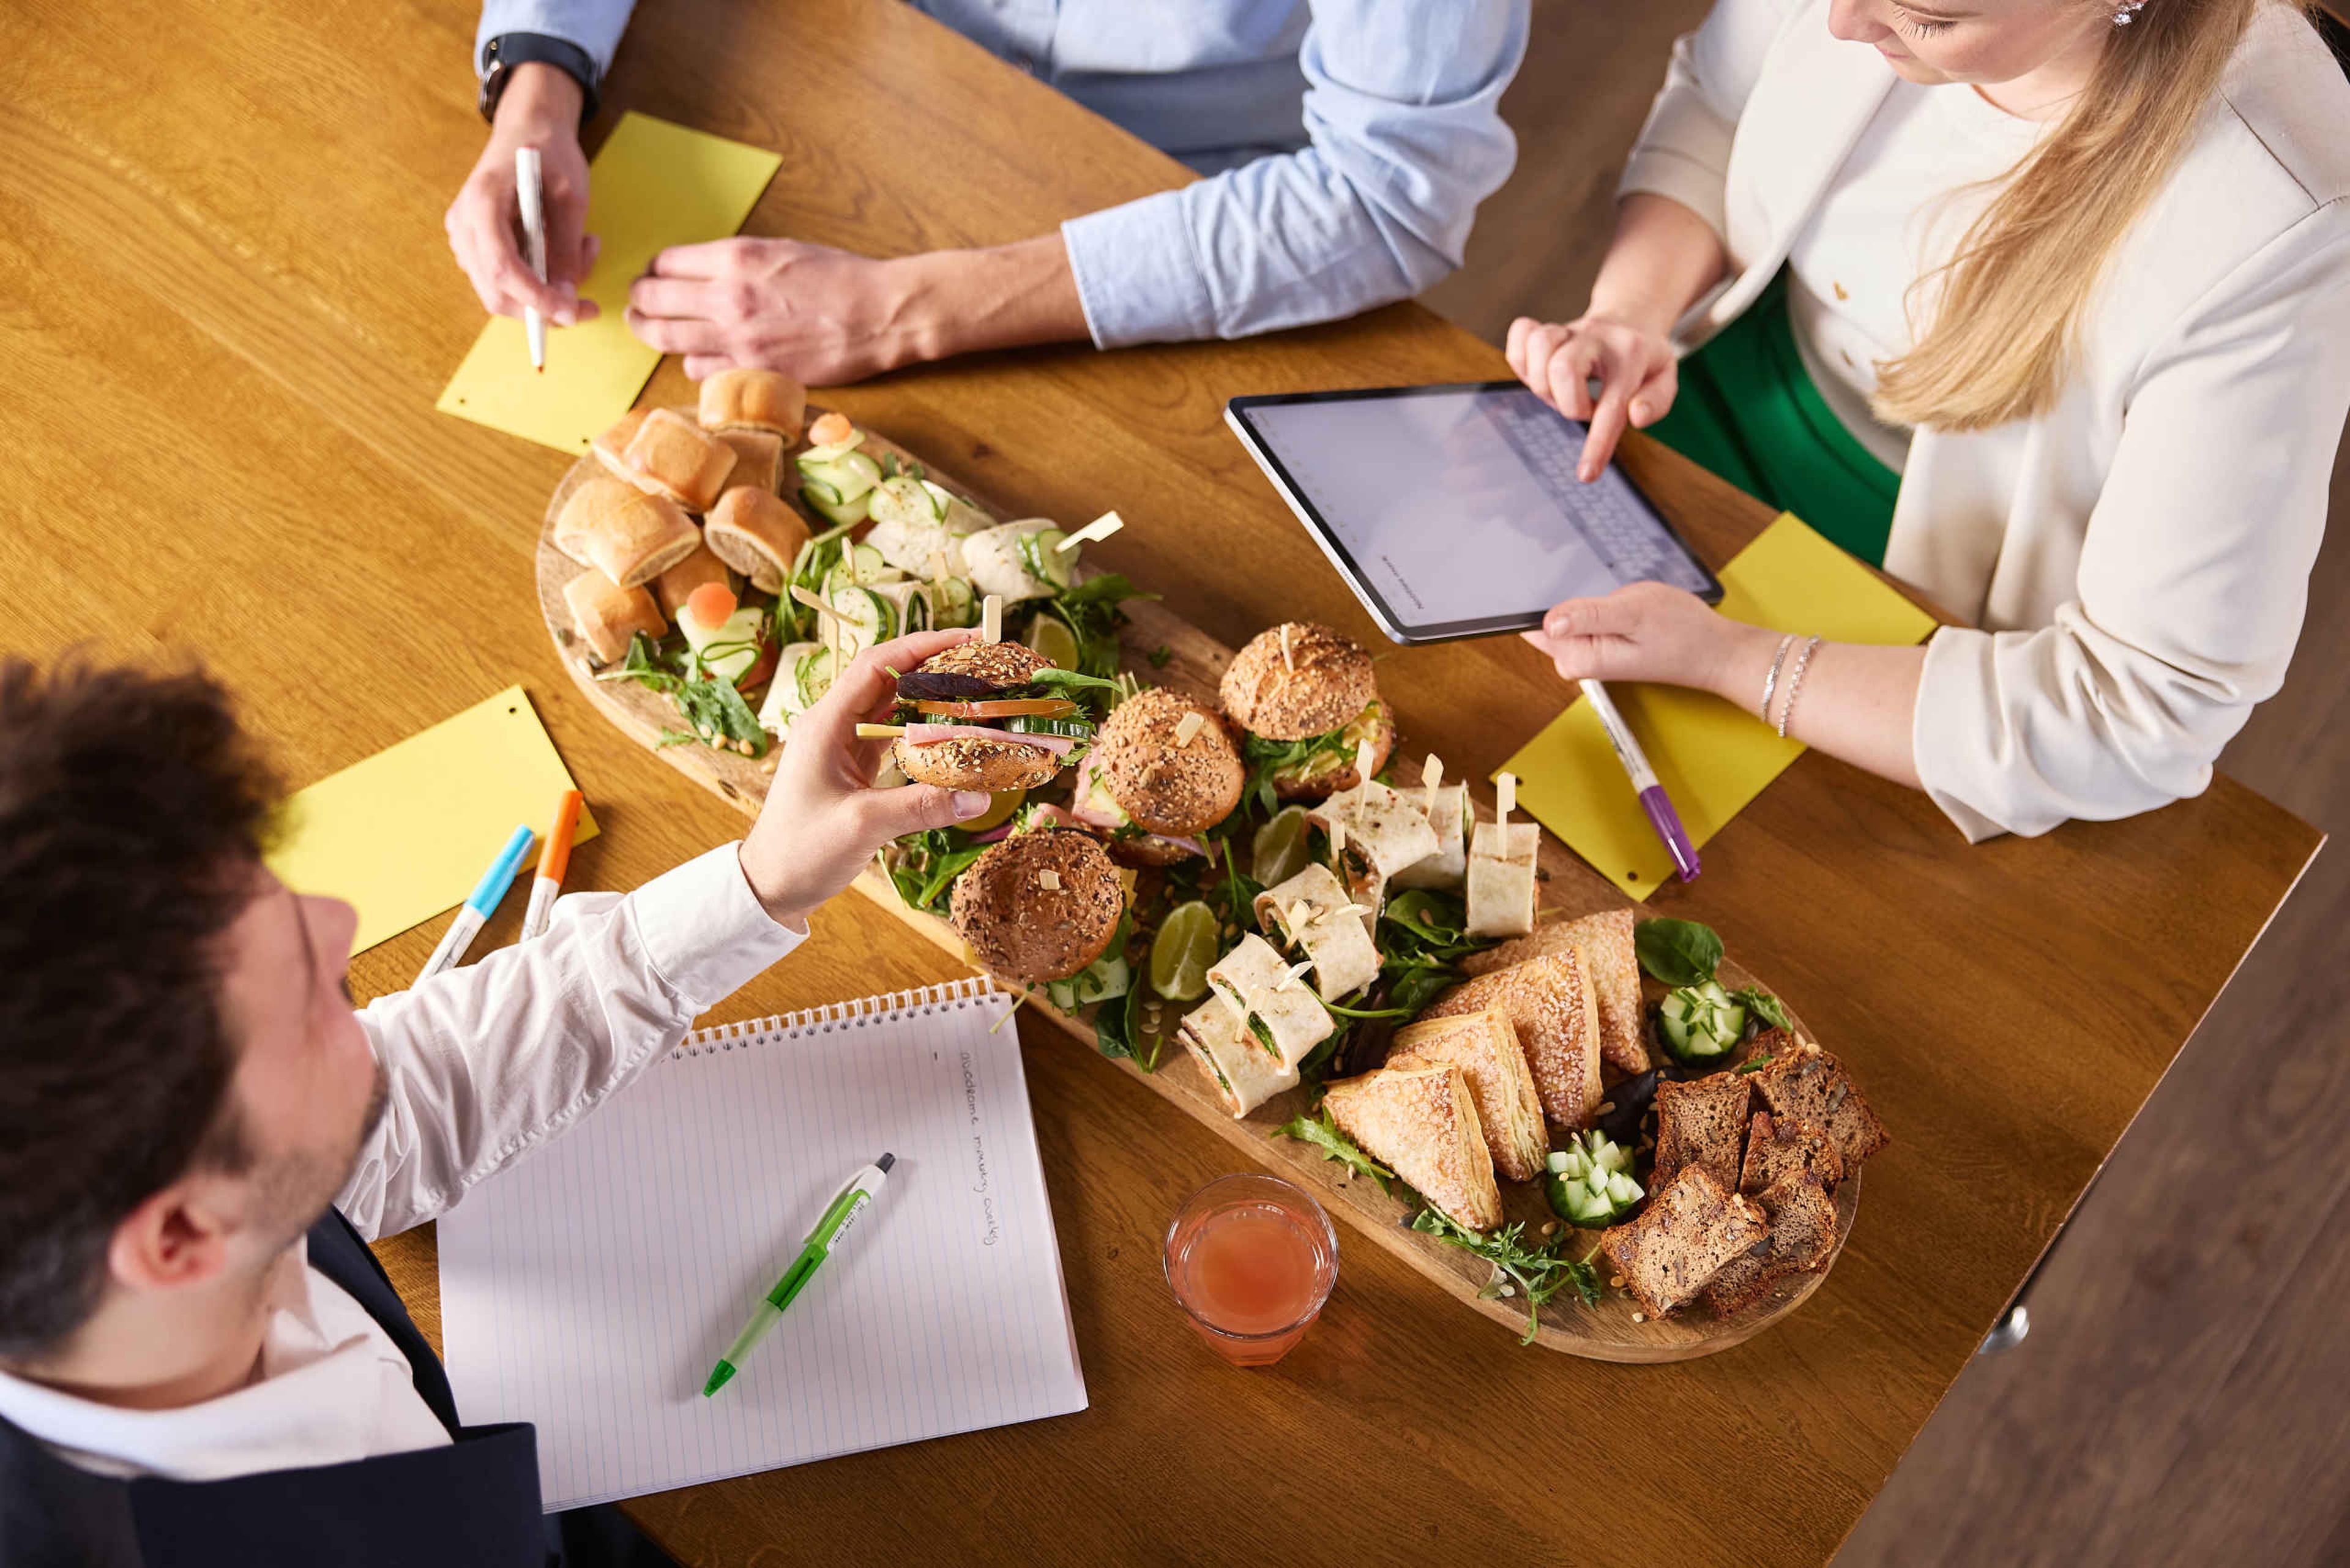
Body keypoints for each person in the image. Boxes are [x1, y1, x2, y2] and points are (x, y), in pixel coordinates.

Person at [0, 630, 994, 1565]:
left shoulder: (129, 1200)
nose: (344, 930)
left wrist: (760, 881)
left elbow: (410, 1095)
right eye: (312, 999)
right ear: (180, 1238)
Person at [1508, 0, 2350, 839]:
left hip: (1918, 598)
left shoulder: (2280, 218)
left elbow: (2138, 709)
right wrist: (1632, 308)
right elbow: (1719, 102)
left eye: (1929, 20)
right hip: (1712, 387)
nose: (1839, 24)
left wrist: (1735, 662)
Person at [446, 1, 1528, 384]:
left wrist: (900, 314)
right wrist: (540, 79)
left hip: (1174, 220)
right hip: (869, 95)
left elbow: (1389, 193)